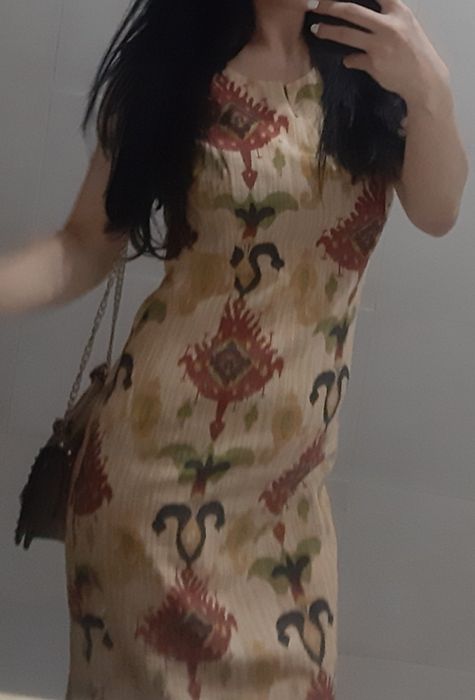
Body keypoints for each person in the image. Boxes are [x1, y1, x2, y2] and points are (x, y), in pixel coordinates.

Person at [0, 1, 467, 698]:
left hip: (290, 500)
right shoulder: (173, 67)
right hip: (153, 481)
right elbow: (83, 244)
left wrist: (430, 92)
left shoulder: (375, 65)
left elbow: (438, 210)